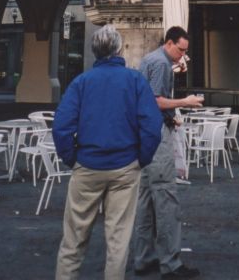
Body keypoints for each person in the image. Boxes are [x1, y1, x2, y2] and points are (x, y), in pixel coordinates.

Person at [53, 24, 163, 280]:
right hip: (125, 167)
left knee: (73, 240)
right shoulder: (134, 79)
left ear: (95, 51)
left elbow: (61, 126)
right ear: (118, 48)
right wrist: (141, 158)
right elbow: (152, 125)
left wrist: (73, 158)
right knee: (118, 240)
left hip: (88, 166)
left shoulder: (81, 82)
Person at [134, 26, 203, 279]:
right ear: (170, 43)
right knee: (165, 198)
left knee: (145, 200)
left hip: (142, 136)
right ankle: (171, 264)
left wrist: (169, 117)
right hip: (156, 138)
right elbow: (155, 100)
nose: (182, 56)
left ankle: (143, 258)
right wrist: (185, 102)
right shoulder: (162, 64)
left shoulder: (149, 59)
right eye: (181, 50)